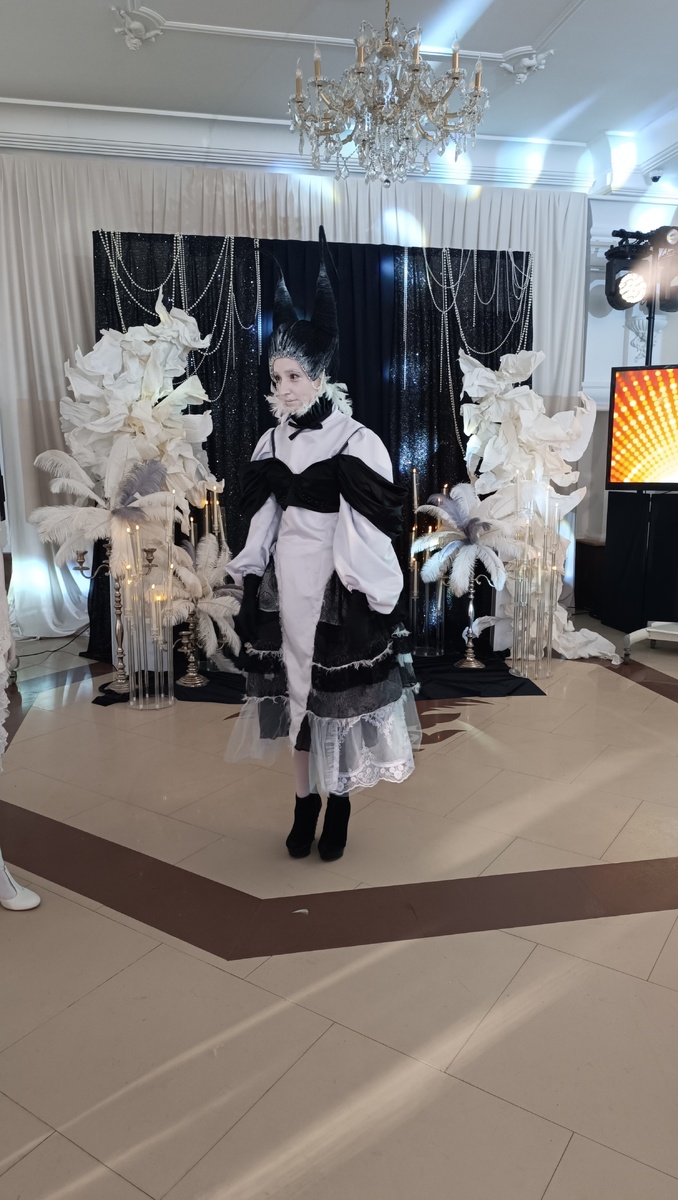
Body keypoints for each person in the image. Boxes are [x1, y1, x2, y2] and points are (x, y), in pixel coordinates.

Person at [226, 239, 420, 861]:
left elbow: (370, 526)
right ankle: (302, 800)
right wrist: (249, 575)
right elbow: (262, 517)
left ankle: (338, 802)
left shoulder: (357, 440)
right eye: (276, 377)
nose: (283, 388)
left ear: (319, 376)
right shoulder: (269, 442)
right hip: (285, 586)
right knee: (293, 699)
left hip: (335, 588)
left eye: (293, 376)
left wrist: (365, 590)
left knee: (332, 703)